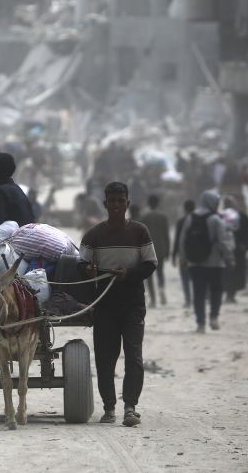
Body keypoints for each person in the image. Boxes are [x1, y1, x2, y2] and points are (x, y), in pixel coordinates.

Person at [78, 182, 157, 427]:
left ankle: (130, 407)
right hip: (105, 305)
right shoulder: (93, 235)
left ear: (127, 204)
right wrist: (89, 271)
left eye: (120, 201)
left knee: (134, 357)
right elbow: (81, 266)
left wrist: (129, 275)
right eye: (111, 201)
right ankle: (109, 408)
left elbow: (150, 263)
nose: (115, 205)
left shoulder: (140, 231)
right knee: (105, 358)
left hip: (133, 304)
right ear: (105, 204)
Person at [180, 191, 234, 333]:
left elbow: (183, 240)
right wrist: (229, 258)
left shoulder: (190, 218)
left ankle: (200, 324)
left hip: (195, 264)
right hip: (215, 263)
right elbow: (223, 242)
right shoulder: (216, 219)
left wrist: (183, 259)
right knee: (216, 290)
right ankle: (214, 317)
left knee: (198, 293)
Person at [222, 195, 248, 304]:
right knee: (234, 272)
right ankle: (230, 295)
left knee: (228, 272)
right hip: (236, 250)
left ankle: (229, 295)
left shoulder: (219, 216)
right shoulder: (240, 216)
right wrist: (246, 245)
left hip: (227, 250)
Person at [141, 195, 170, 307]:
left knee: (149, 275)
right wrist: (168, 250)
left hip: (148, 250)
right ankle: (161, 288)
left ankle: (153, 299)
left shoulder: (144, 217)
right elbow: (166, 235)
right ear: (158, 203)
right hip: (161, 248)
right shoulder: (163, 217)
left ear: (149, 203)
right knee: (160, 272)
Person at [172, 199, 196, 307]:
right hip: (197, 255)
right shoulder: (198, 219)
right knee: (196, 278)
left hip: (184, 255)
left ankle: (188, 300)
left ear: (184, 208)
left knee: (185, 278)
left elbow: (177, 239)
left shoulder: (181, 221)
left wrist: (173, 255)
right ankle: (197, 298)